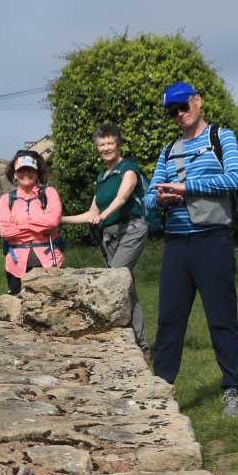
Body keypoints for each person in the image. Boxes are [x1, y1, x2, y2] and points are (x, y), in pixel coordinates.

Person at [143, 82, 238, 416]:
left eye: (182, 107)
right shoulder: (167, 150)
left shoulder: (221, 137)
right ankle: (161, 390)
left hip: (212, 241)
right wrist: (161, 199)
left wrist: (187, 187)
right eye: (171, 112)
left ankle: (232, 388)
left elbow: (236, 178)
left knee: (222, 319)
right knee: (169, 321)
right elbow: (148, 199)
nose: (178, 115)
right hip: (176, 245)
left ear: (197, 102)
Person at [62, 124, 149, 355]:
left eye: (110, 143)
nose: (106, 148)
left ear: (118, 144)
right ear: (97, 147)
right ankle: (139, 344)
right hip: (110, 236)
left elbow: (122, 197)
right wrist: (60, 219)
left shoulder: (128, 169)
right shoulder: (101, 177)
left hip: (131, 230)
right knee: (126, 286)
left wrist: (103, 215)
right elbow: (91, 213)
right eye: (102, 144)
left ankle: (132, 342)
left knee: (114, 279)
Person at [0, 151, 63, 295]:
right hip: (16, 264)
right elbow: (5, 231)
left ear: (37, 173)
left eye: (30, 170)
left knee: (51, 303)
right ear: (15, 174)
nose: (26, 173)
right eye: (21, 170)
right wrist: (39, 227)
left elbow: (52, 222)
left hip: (49, 261)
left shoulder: (49, 193)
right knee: (16, 303)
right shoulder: (6, 199)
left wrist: (20, 225)